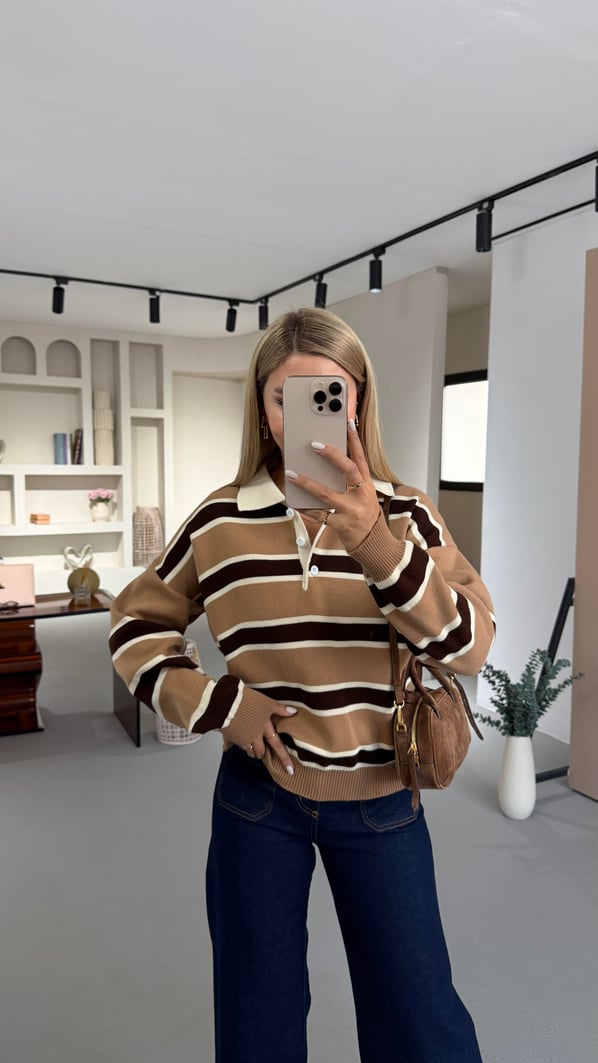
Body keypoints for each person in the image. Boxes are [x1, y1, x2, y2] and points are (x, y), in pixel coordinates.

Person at [110, 307, 495, 1063]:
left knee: (420, 1020)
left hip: (382, 797)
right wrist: (222, 704)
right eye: (287, 396)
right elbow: (133, 624)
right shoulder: (219, 520)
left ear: (358, 402)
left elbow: (470, 645)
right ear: (264, 410)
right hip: (258, 800)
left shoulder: (406, 513)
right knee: (258, 1018)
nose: (309, 415)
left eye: (330, 393)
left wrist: (374, 543)